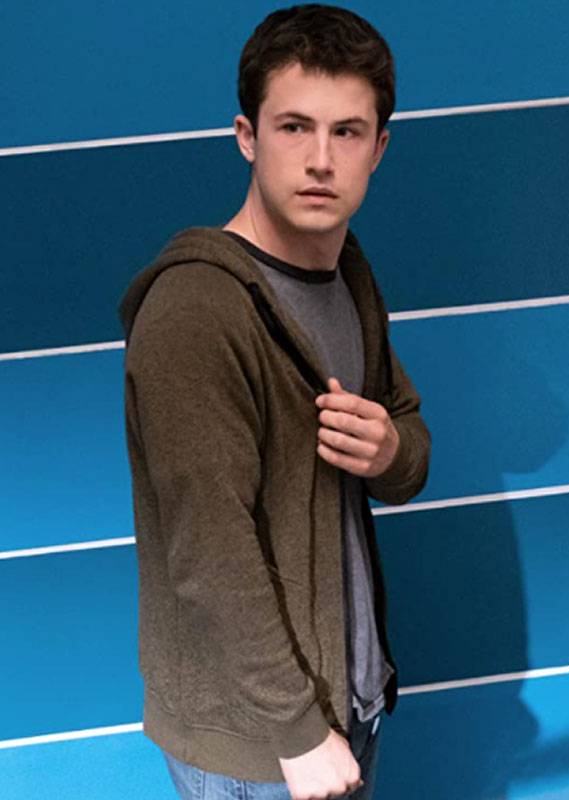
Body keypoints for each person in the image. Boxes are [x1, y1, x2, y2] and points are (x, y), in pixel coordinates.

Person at [119, 5, 431, 799]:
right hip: (263, 749)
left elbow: (406, 437)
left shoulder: (348, 272)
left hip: (349, 702)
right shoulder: (197, 311)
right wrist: (298, 735)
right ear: (247, 137)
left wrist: (390, 452)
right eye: (294, 127)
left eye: (347, 132)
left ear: (379, 148)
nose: (321, 159)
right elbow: (208, 549)